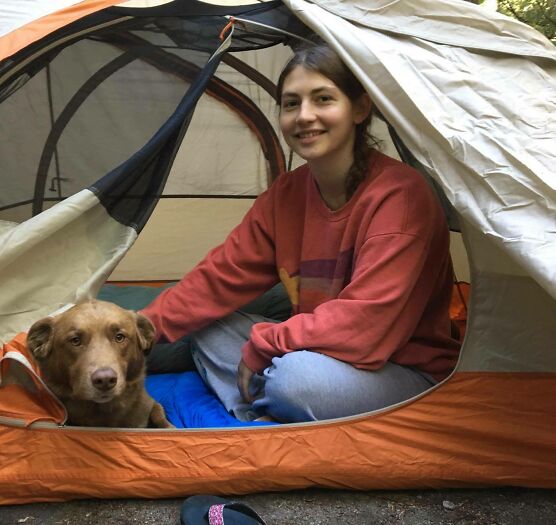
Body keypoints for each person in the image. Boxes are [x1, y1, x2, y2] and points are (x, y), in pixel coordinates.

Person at [140, 44, 461, 423]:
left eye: (323, 99)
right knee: (206, 325)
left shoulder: (400, 196)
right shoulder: (287, 194)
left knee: (296, 381)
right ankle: (271, 410)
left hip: (400, 369)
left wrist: (266, 345)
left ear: (359, 109)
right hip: (314, 349)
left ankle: (270, 402)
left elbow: (365, 328)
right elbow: (217, 279)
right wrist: (128, 330)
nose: (304, 116)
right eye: (291, 104)